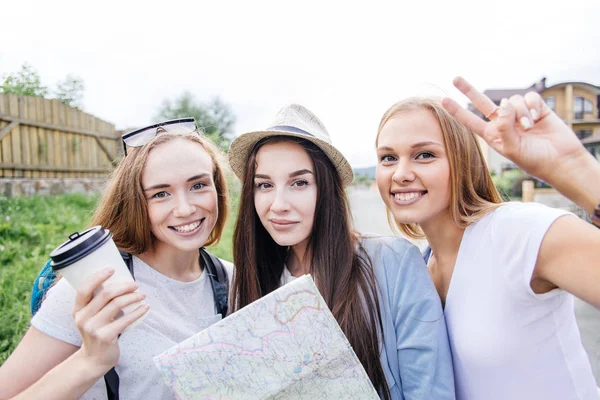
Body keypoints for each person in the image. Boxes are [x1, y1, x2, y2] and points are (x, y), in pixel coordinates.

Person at [375, 77, 600, 400]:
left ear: (463, 160)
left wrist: (574, 168)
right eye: (388, 158)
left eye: (424, 155)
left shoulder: (517, 232)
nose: (400, 173)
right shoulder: (419, 270)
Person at [227, 104, 455, 400]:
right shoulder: (249, 281)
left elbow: (430, 390)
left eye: (299, 183)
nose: (278, 204)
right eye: (265, 185)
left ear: (327, 189)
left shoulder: (392, 263)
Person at [0, 119, 232, 400]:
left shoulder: (232, 279)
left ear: (217, 188)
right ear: (136, 202)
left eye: (198, 186)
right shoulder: (95, 287)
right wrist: (90, 360)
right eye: (160, 194)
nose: (184, 208)